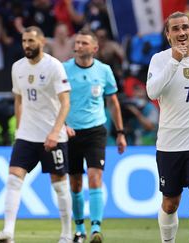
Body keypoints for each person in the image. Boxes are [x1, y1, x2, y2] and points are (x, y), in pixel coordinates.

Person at [0, 26, 73, 243]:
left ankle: (67, 234)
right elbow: (19, 98)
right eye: (24, 41)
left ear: (42, 42)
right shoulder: (17, 67)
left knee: (59, 183)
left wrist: (55, 131)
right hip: (27, 134)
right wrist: (19, 129)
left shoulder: (54, 66)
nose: (27, 45)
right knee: (14, 179)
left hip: (53, 135)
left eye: (31, 41)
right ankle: (8, 233)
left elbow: (65, 102)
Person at [146, 11, 189, 243]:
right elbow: (152, 92)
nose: (181, 32)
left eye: (185, 27)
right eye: (175, 29)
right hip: (169, 143)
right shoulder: (159, 60)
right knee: (170, 203)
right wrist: (175, 60)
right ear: (168, 35)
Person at [63, 29, 127, 243]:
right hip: (70, 132)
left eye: (83, 43)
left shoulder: (104, 71)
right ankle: (79, 229)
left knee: (95, 177)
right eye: (77, 42)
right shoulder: (63, 70)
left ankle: (96, 229)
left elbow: (113, 102)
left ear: (94, 48)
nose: (78, 46)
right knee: (75, 183)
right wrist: (61, 125)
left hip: (95, 131)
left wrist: (120, 133)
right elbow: (55, 101)